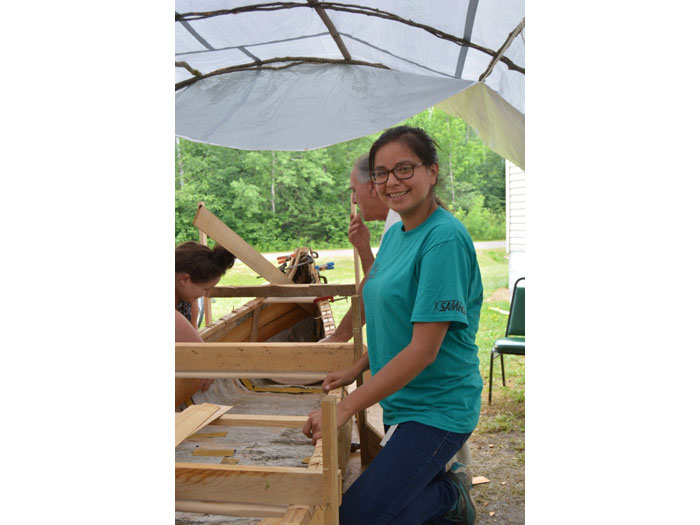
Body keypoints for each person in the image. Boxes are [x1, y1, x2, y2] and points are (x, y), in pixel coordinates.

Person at [303, 126, 483, 524]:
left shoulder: (443, 240)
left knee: (358, 516)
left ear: (432, 171)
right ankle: (444, 498)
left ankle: (452, 494)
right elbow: (396, 323)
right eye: (381, 173)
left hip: (438, 408)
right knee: (396, 506)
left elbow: (423, 349)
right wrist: (356, 367)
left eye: (404, 168)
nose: (391, 181)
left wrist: (346, 407)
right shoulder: (400, 233)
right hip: (403, 400)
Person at [175, 241, 235, 393]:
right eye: (205, 289)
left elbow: (192, 340)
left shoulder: (188, 301)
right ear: (184, 279)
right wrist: (206, 360)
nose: (207, 295)